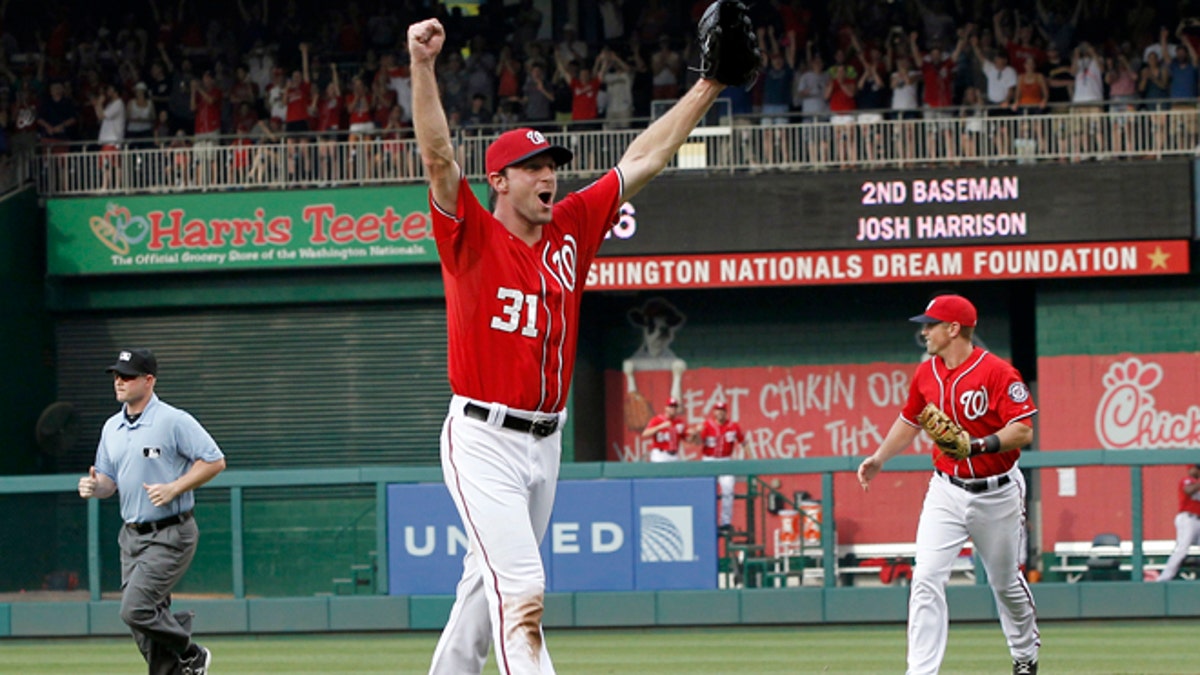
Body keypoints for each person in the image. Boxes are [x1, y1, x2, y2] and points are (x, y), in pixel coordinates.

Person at [408, 10, 733, 673]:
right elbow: (439, 156)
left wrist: (709, 85)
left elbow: (646, 155)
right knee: (521, 587)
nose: (549, 174)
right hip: (482, 436)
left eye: (552, 162)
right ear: (499, 180)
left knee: (484, 582)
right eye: (532, 167)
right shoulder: (469, 232)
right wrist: (420, 66)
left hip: (545, 440)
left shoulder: (572, 228)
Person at [856, 294, 1040, 675]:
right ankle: (921, 672)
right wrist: (879, 458)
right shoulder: (926, 373)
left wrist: (977, 445)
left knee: (1005, 584)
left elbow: (1023, 431)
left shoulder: (998, 372)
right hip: (947, 488)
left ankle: (1025, 656)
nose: (924, 331)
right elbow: (910, 421)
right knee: (925, 577)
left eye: (931, 324)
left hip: (998, 491)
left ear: (953, 329)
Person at [76, 348, 226, 675]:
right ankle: (178, 670)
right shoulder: (111, 427)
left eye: (127, 376)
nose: (119, 381)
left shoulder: (173, 420)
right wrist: (92, 487)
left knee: (135, 610)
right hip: (131, 536)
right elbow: (107, 482)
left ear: (148, 380)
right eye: (116, 375)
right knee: (142, 625)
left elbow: (215, 460)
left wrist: (175, 487)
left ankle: (191, 652)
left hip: (171, 532)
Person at [699, 401, 744, 533]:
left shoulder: (733, 426)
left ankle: (725, 523)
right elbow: (697, 441)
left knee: (728, 490)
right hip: (709, 460)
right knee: (706, 491)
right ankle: (706, 521)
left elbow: (744, 442)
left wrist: (752, 461)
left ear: (726, 412)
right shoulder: (707, 425)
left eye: (722, 410)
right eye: (717, 410)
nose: (720, 412)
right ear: (714, 412)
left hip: (725, 460)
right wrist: (696, 433)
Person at [1157, 464, 1200, 582]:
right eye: (1197, 468)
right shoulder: (1187, 480)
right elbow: (1188, 490)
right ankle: (1164, 578)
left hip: (1198, 521)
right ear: (1191, 469)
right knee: (1182, 549)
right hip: (1187, 518)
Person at [642, 397, 685, 462]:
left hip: (674, 455)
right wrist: (660, 427)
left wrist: (693, 434)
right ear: (666, 408)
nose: (673, 408)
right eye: (671, 406)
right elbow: (645, 433)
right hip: (660, 455)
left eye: (675, 406)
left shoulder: (679, 422)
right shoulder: (657, 420)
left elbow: (686, 438)